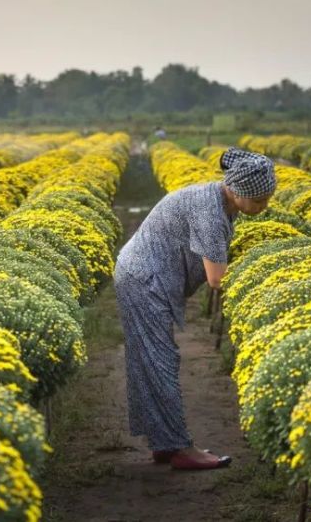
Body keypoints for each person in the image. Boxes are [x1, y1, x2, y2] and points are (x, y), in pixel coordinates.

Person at [113, 147, 276, 470]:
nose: (263, 207)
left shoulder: (219, 200)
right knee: (159, 361)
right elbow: (217, 279)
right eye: (258, 201)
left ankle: (164, 442)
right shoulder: (210, 212)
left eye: (267, 199)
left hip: (143, 275)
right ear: (236, 189)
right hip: (144, 279)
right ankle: (180, 449)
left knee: (151, 361)